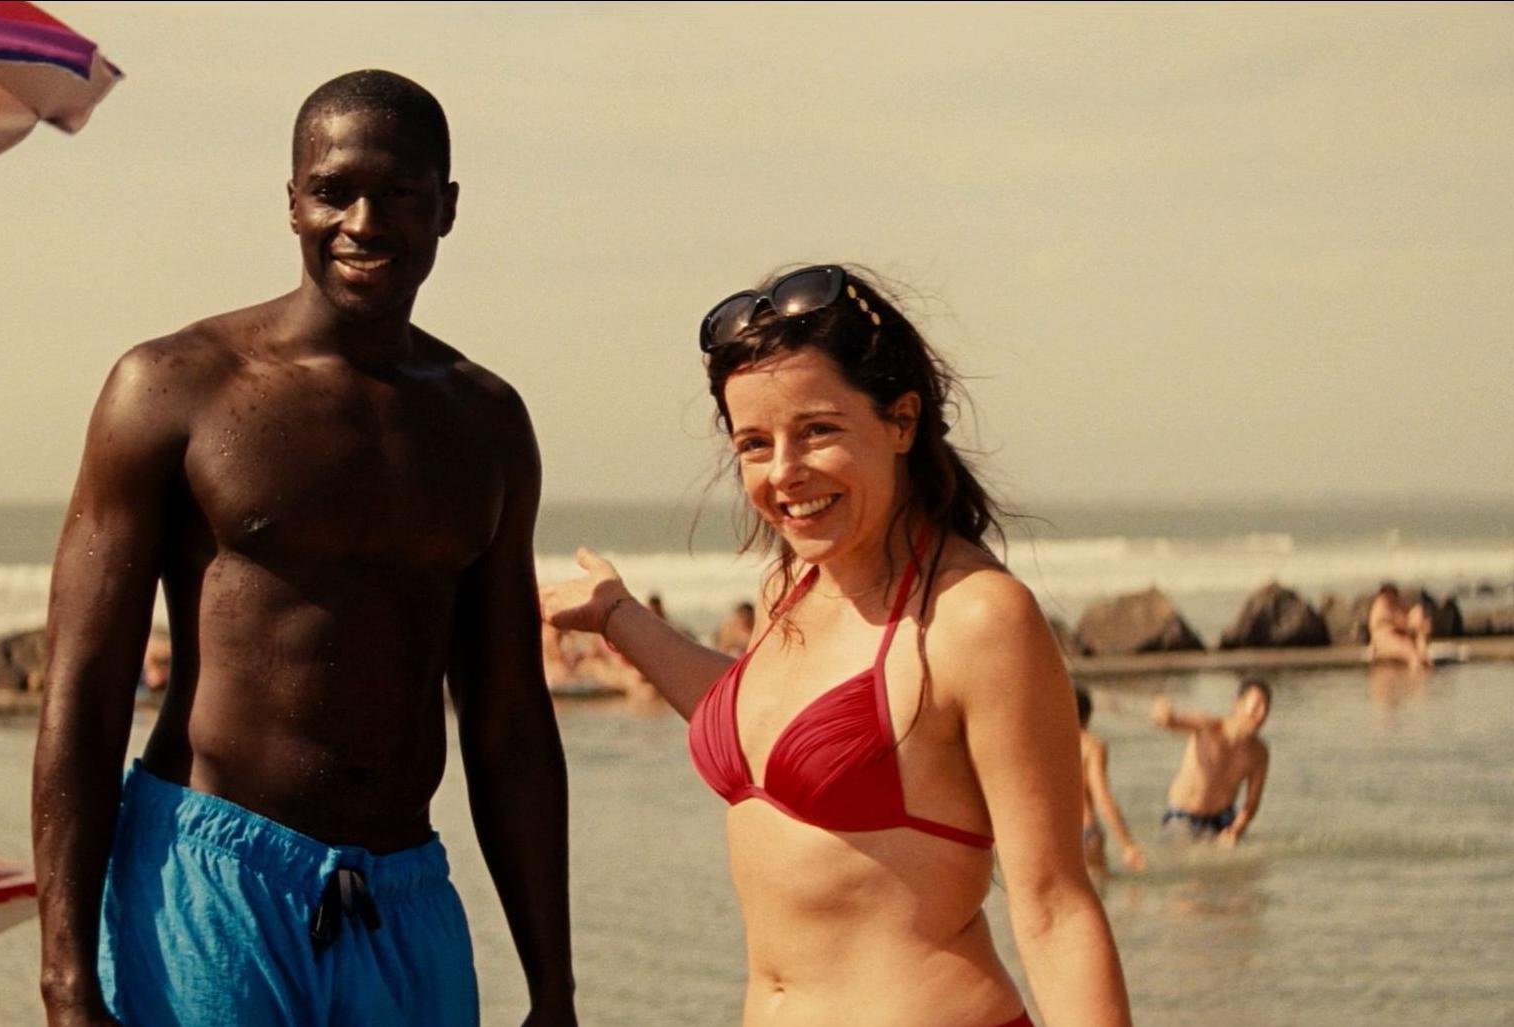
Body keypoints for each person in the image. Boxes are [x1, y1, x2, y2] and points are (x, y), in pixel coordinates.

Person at [33, 71, 574, 1027]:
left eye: (399, 192)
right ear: (292, 203)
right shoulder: (172, 387)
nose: (364, 221)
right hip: (213, 882)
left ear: (446, 207)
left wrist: (553, 989)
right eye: (333, 191)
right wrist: (66, 983)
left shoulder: (485, 422)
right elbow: (84, 690)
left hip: (403, 891)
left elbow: (509, 721)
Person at [542, 265, 1130, 1026]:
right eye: (755, 444)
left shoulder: (975, 618)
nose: (784, 472)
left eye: (817, 430)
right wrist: (619, 615)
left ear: (902, 420)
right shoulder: (790, 586)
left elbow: (1054, 907)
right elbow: (754, 722)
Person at [1150, 679, 1271, 847]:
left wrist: (1234, 831)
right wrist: (1162, 707)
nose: (1262, 714)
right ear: (1237, 704)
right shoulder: (1208, 728)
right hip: (1184, 818)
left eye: (1266, 709)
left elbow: (1251, 804)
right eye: (1256, 706)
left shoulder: (1258, 752)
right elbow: (1168, 721)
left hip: (1224, 819)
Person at [1075, 688, 1145, 875]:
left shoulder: (1042, 745)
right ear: (1087, 716)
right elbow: (1102, 797)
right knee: (1096, 888)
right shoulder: (1091, 745)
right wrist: (1127, 844)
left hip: (1048, 834)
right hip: (1084, 832)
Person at [1367, 582, 1434, 670]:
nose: (1392, 598)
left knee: (1420, 641)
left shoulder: (1396, 605)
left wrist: (1418, 623)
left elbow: (1406, 620)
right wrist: (1406, 625)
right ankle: (1417, 669)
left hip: (1401, 637)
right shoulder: (1380, 607)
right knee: (1411, 654)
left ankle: (1424, 668)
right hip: (1385, 640)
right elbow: (1388, 625)